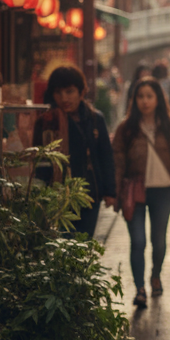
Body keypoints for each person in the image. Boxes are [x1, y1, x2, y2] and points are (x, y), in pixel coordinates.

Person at [112, 78, 170, 308]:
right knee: (138, 241)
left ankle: (155, 274)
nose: (145, 101)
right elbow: (117, 162)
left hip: (163, 191)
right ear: (134, 100)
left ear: (158, 99)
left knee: (159, 241)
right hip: (133, 190)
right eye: (140, 97)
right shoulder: (126, 128)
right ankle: (139, 288)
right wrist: (113, 193)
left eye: (149, 96)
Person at [34, 66, 116, 238]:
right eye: (58, 92)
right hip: (56, 196)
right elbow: (39, 162)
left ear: (82, 91)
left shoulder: (95, 119)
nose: (64, 98)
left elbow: (105, 157)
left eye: (70, 91)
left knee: (83, 246)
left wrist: (109, 192)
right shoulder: (46, 122)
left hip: (89, 194)